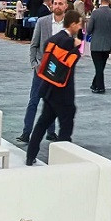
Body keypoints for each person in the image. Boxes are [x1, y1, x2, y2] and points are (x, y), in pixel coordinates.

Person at [26, 10, 83, 165]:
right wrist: (77, 47)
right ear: (72, 24)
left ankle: (30, 155)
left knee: (42, 123)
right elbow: (71, 62)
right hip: (62, 92)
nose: (80, 27)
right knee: (66, 126)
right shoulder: (69, 42)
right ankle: (62, 159)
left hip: (48, 89)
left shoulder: (53, 39)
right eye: (79, 24)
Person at [18, 0, 67, 143]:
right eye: (55, 3)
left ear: (65, 6)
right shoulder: (42, 22)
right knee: (34, 101)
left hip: (58, 71)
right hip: (41, 69)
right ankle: (26, 133)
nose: (57, 6)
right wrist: (34, 64)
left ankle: (51, 133)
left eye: (60, 4)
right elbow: (34, 45)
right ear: (52, 5)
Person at [87, 0, 111, 94]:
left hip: (96, 44)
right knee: (101, 66)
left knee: (98, 67)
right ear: (110, 1)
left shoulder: (95, 13)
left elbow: (89, 29)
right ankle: (94, 84)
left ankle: (100, 87)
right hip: (107, 44)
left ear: (101, 0)